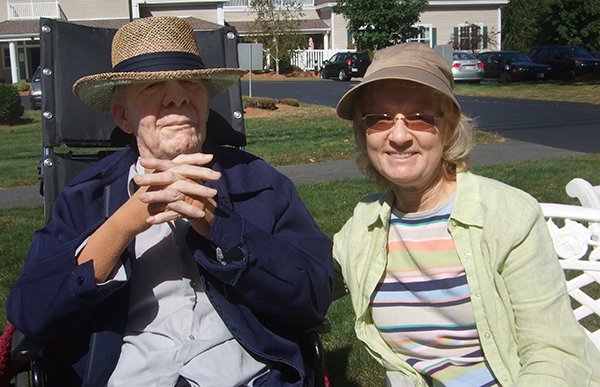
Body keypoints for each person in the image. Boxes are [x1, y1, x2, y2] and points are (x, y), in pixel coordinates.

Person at [7, 16, 333, 386]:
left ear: (206, 103)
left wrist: (221, 226)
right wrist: (122, 225)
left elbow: (314, 296)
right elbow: (32, 314)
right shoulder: (87, 196)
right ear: (122, 116)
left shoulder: (260, 184)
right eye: (151, 86)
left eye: (189, 83)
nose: (177, 96)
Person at [332, 42, 600, 386]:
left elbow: (554, 353)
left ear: (449, 128)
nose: (398, 135)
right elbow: (303, 285)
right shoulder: (364, 224)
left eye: (420, 117)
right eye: (380, 118)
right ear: (363, 131)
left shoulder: (509, 216)